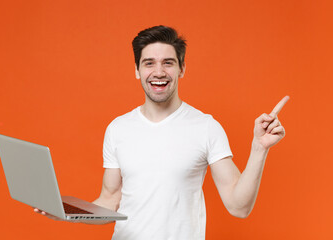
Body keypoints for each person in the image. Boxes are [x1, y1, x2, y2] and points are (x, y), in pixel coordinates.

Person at [35, 25, 289, 239]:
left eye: (168, 63)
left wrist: (259, 149)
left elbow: (238, 206)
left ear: (182, 69)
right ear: (137, 70)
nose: (158, 72)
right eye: (149, 63)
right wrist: (68, 212)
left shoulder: (206, 127)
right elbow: (110, 201)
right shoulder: (118, 128)